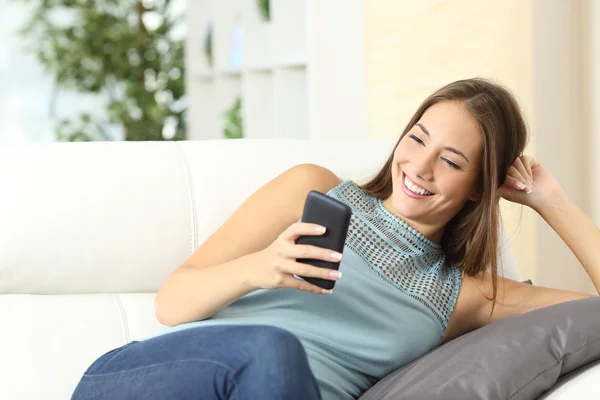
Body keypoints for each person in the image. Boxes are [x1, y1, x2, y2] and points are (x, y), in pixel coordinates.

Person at [71, 78, 600, 400]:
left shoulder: (468, 297)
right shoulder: (310, 187)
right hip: (151, 382)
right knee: (274, 350)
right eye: (417, 138)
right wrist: (262, 268)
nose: (419, 166)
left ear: (476, 189)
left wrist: (550, 200)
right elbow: (170, 302)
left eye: (452, 160)